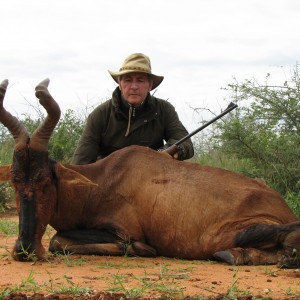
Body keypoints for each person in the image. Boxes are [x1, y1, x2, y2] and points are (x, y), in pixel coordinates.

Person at [71, 53, 194, 164]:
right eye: (128, 80)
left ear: (150, 85)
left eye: (140, 80)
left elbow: (185, 142)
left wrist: (166, 153)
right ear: (120, 84)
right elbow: (80, 163)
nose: (134, 86)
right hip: (110, 183)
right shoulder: (100, 114)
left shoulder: (164, 110)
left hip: (152, 179)